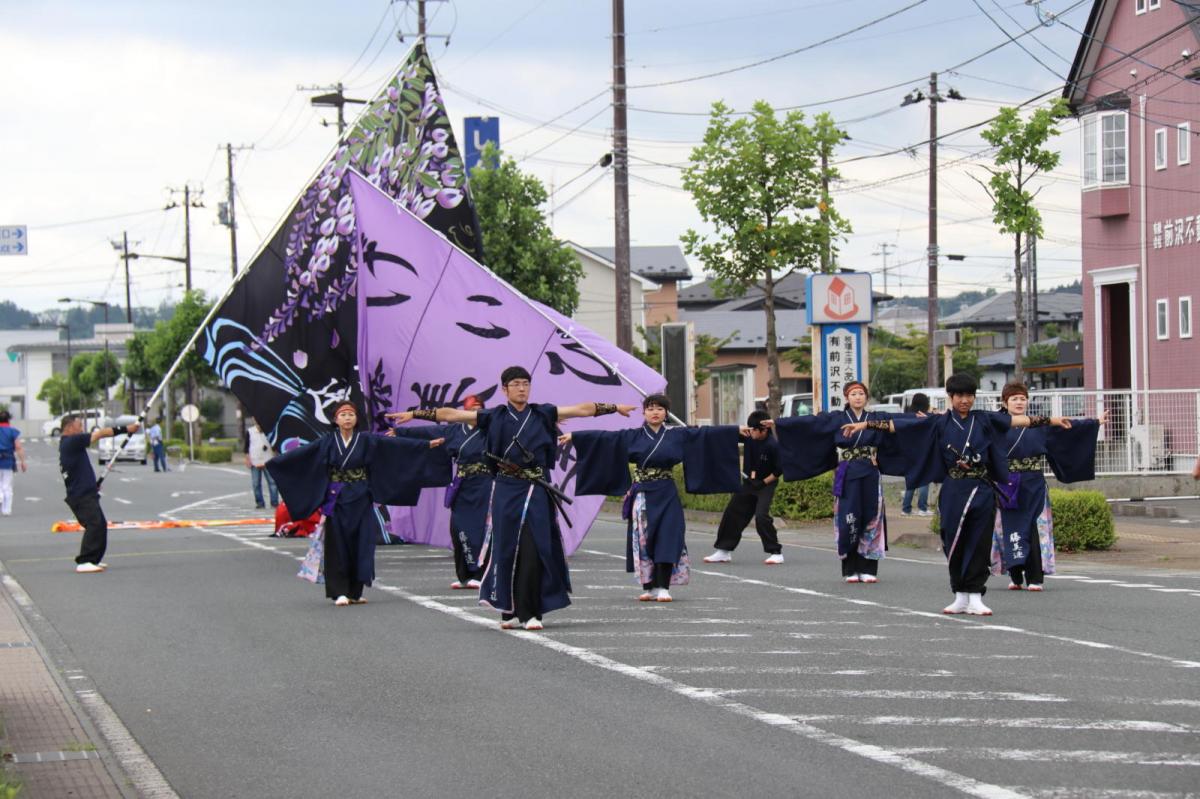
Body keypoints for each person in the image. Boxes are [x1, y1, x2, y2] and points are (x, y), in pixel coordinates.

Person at [391, 366, 636, 630]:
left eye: (525, 383)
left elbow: (582, 409)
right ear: (504, 389)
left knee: (534, 546)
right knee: (506, 548)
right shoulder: (493, 416)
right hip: (506, 489)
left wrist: (615, 407)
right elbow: (451, 414)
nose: (522, 388)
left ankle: (531, 611)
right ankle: (508, 609)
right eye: (516, 384)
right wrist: (415, 414)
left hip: (536, 488)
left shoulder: (542, 413)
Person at [841, 373, 1073, 616]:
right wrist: (865, 424)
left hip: (981, 488)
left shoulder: (983, 419)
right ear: (950, 397)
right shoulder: (939, 422)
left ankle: (975, 595)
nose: (965, 400)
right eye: (959, 395)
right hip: (953, 488)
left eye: (969, 395)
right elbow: (899, 425)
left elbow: (1019, 421)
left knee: (979, 542)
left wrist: (1054, 420)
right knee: (953, 540)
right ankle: (960, 595)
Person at [266, 400, 451, 606]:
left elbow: (392, 446)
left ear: (356, 419)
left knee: (361, 543)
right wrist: (277, 464)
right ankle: (339, 591)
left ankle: (355, 590)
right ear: (335, 420)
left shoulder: (365, 440)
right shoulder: (327, 442)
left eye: (351, 415)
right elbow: (303, 455)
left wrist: (424, 445)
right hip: (336, 499)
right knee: (337, 545)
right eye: (343, 415)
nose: (347, 418)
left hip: (361, 496)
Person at [564, 393, 742, 602]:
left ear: (666, 413)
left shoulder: (678, 435)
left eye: (659, 409)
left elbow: (705, 434)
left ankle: (664, 586)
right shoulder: (633, 436)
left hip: (667, 492)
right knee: (644, 540)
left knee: (668, 535)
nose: (654, 412)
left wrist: (737, 431)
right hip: (642, 494)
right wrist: (576, 437)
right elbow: (606, 438)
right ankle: (649, 586)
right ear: (644, 412)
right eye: (650, 408)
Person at [767, 381, 906, 584]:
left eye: (861, 393)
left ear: (866, 397)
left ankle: (868, 567)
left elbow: (901, 421)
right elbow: (810, 423)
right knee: (848, 517)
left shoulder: (876, 418)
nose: (858, 397)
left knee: (871, 517)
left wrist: (925, 418)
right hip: (847, 473)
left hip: (870, 473)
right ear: (847, 398)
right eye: (853, 394)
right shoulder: (837, 419)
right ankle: (850, 568)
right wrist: (779, 424)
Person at [990, 382, 1104, 591]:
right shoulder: (996, 423)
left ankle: (1035, 577)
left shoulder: (1038, 424)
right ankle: (1015, 576)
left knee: (1035, 528)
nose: (1019, 402)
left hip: (1033, 483)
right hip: (1005, 484)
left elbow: (1066, 430)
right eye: (1014, 398)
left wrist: (1094, 422)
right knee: (1008, 528)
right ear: (1005, 402)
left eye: (1022, 398)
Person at [387, 395, 492, 590]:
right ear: (461, 411)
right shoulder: (453, 430)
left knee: (482, 529)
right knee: (458, 527)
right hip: (462, 484)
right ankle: (464, 575)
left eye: (479, 408)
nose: (474, 412)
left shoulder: (491, 430)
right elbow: (429, 432)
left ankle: (480, 573)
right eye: (470, 408)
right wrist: (401, 432)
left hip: (485, 485)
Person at [59, 414, 140, 573]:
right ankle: (85, 560)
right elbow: (100, 433)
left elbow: (77, 471)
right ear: (69, 427)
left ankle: (94, 559)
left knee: (100, 524)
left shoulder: (71, 445)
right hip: (80, 495)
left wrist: (92, 485)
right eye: (79, 426)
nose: (82, 429)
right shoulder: (71, 442)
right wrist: (126, 429)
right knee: (94, 524)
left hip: (85, 491)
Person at [704, 410, 785, 565]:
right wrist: (737, 429)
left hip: (765, 484)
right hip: (748, 483)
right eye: (750, 429)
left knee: (761, 516)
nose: (751, 432)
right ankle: (723, 550)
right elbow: (726, 436)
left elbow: (778, 471)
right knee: (733, 513)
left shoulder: (773, 445)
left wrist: (763, 482)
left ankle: (775, 552)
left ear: (764, 429)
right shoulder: (749, 437)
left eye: (755, 430)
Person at [900, 393, 932, 517]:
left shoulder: (907, 416)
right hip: (923, 451)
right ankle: (922, 508)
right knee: (924, 479)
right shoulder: (924, 417)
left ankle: (906, 508)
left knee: (911, 480)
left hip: (909, 452)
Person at [244, 418, 279, 509]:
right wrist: (248, 459)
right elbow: (246, 447)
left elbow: (275, 444)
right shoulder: (250, 431)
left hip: (268, 460)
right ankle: (260, 503)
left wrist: (275, 456)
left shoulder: (270, 431)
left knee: (272, 482)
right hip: (255, 460)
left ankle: (274, 502)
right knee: (256, 483)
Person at [0, 410, 27, 515]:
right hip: (8, 460)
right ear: (8, 419)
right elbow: (18, 447)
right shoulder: (12, 431)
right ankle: (6, 510)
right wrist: (23, 462)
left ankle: (0, 496)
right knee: (7, 485)